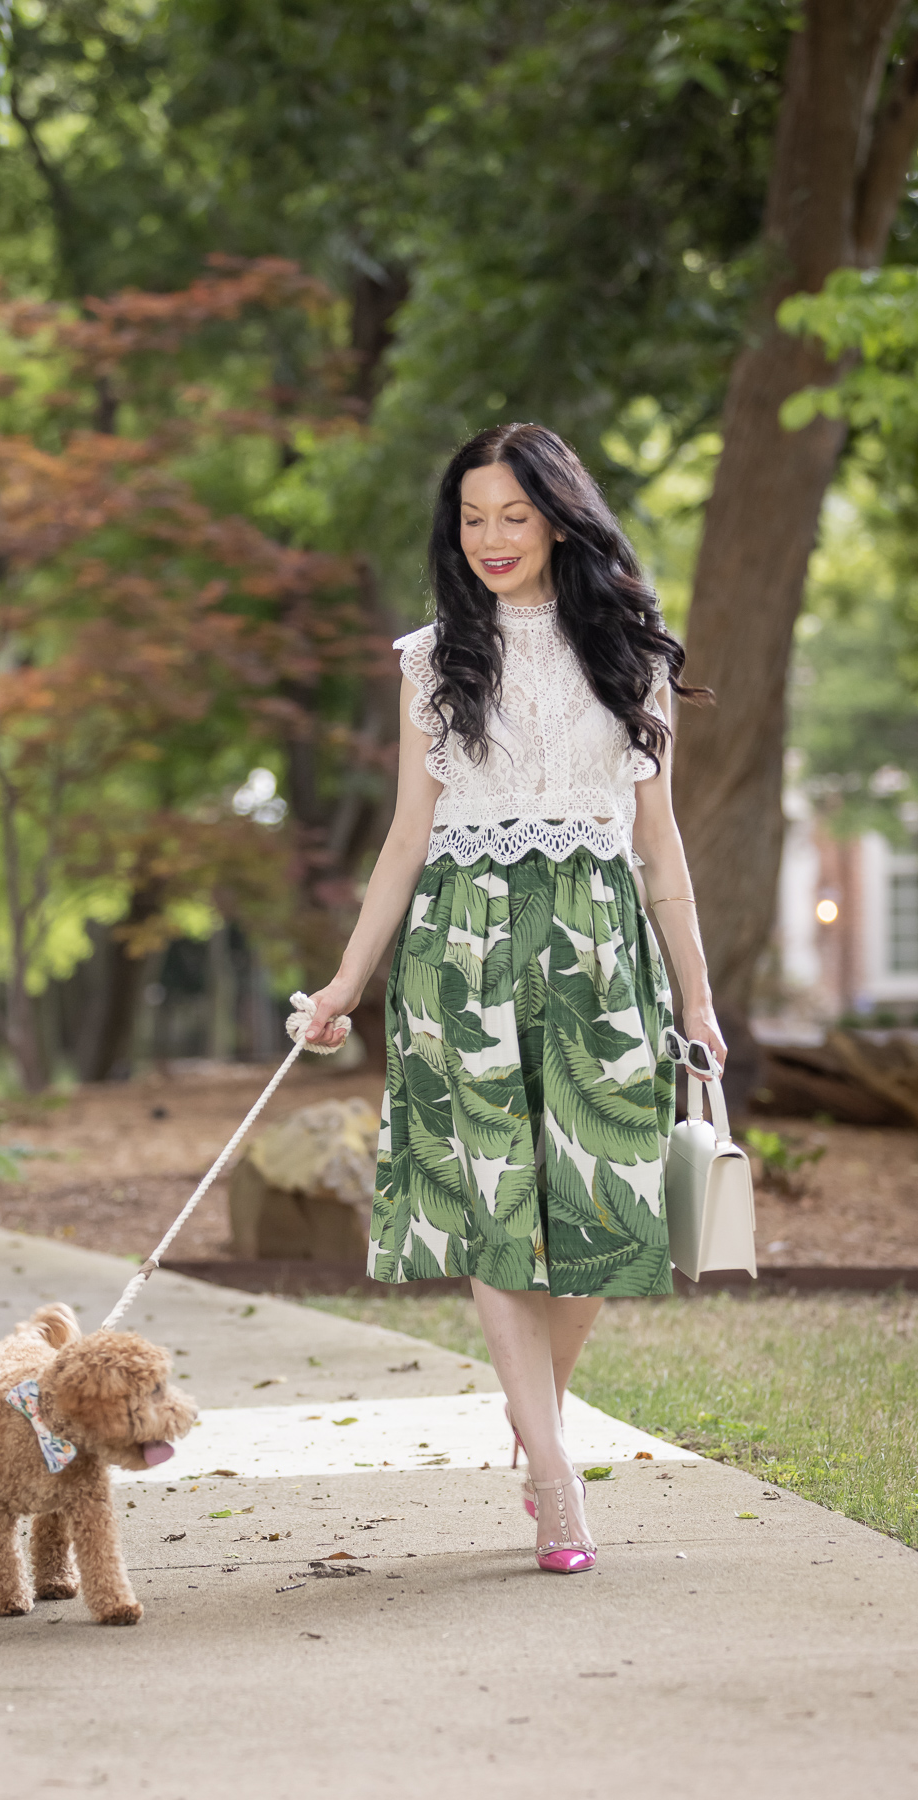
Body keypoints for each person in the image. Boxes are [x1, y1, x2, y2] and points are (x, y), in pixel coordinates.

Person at [304, 422, 724, 1574]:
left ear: (558, 519)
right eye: (471, 518)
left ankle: (530, 1405)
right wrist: (347, 982)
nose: (489, 538)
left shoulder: (629, 657)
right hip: (462, 952)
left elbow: (660, 846)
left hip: (599, 947)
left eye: (513, 517)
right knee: (495, 1202)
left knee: (602, 1204)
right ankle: (552, 1474)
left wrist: (698, 999)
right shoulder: (433, 660)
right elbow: (404, 836)